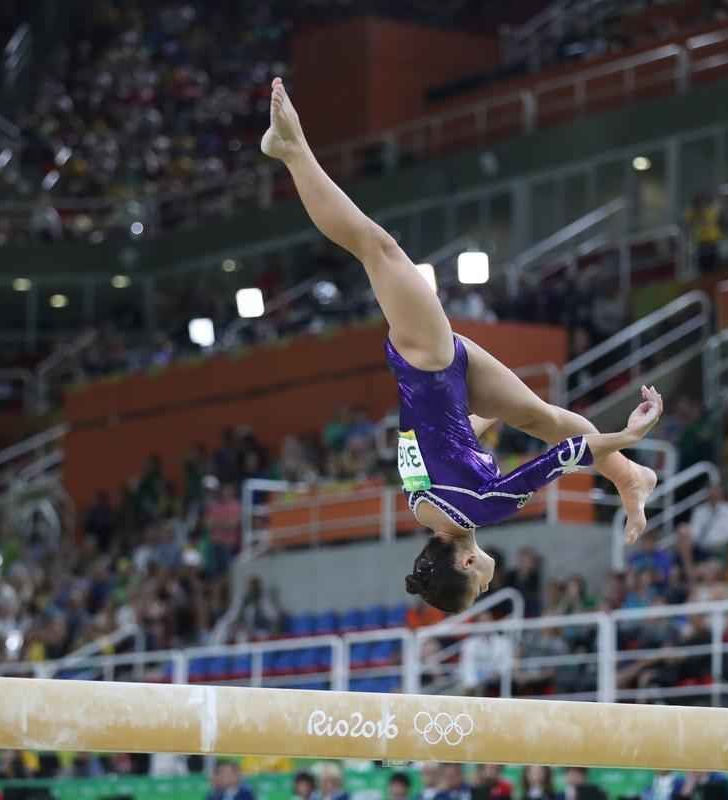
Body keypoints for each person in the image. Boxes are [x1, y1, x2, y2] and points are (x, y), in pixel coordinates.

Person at [262, 77, 662, 613]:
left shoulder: (486, 508)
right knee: (543, 417)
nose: (491, 584)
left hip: (428, 361)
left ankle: (291, 151)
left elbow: (567, 457)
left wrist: (628, 432)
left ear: (468, 564)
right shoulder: (423, 506)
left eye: (481, 587)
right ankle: (630, 480)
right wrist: (487, 418)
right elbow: (449, 442)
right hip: (452, 375)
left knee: (378, 248)